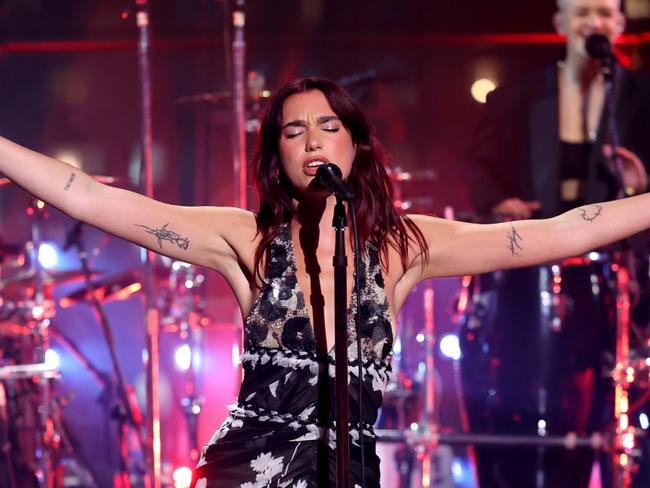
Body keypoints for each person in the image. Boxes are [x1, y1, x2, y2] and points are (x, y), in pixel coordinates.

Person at [2, 77, 650, 488]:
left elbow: (565, 231)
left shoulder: (405, 246)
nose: (311, 138)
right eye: (292, 129)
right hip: (246, 475)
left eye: (327, 125)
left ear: (356, 148)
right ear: (277, 158)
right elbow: (85, 197)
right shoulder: (244, 239)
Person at [463, 0, 650, 486]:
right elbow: (477, 161)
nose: (595, 23)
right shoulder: (519, 95)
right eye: (583, 12)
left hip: (612, 270)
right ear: (561, 23)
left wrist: (639, 184)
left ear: (621, 25)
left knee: (606, 391)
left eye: (605, 14)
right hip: (532, 261)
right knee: (520, 380)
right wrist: (501, 201)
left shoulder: (641, 97)